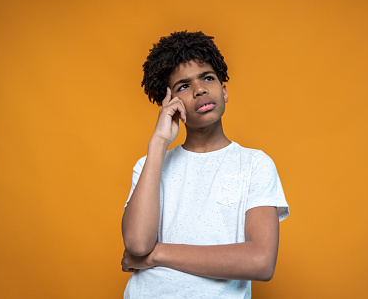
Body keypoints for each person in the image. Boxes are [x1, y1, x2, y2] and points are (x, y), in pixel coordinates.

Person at [121, 30, 289, 298]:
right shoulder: (149, 165)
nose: (200, 89)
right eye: (183, 86)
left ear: (223, 91)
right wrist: (158, 142)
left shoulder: (254, 164)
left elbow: (260, 261)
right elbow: (138, 244)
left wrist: (158, 254)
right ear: (170, 103)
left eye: (208, 78)